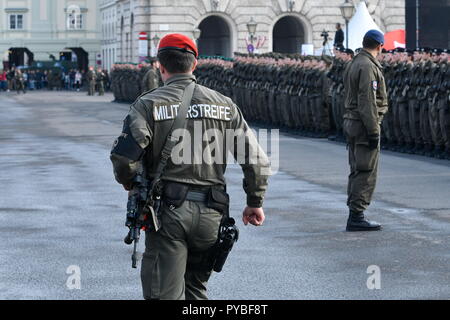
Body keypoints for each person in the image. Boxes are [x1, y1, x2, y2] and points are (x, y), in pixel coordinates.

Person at [110, 33, 270, 300]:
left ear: (160, 66)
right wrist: (255, 200)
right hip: (213, 213)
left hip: (168, 214)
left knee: (164, 294)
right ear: (194, 65)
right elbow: (256, 159)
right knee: (196, 290)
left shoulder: (148, 104)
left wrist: (130, 183)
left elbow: (124, 158)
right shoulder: (225, 105)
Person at [343, 30, 388, 232]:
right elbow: (367, 101)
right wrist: (373, 131)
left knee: (357, 169)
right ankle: (357, 215)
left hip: (353, 123)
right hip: (363, 125)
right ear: (379, 46)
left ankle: (355, 212)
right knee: (365, 171)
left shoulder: (354, 62)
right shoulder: (368, 66)